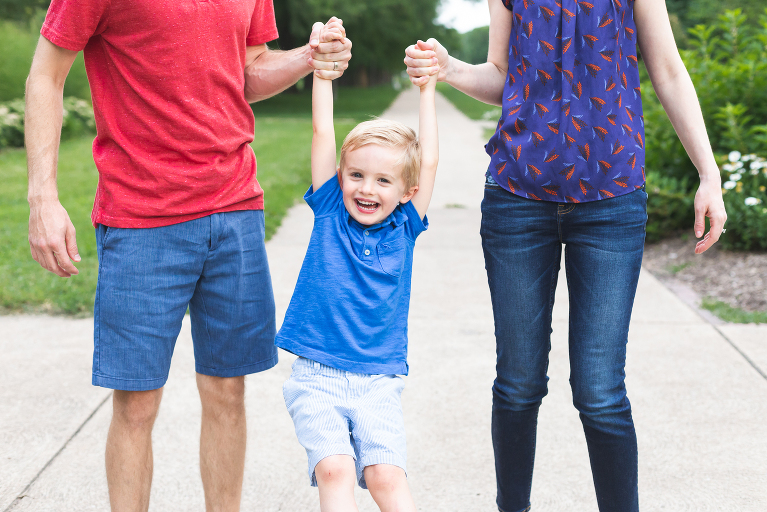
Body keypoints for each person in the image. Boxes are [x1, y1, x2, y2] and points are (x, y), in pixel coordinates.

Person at [24, 0, 351, 509]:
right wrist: (42, 197)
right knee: (136, 404)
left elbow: (248, 72)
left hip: (235, 211)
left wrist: (308, 55)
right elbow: (46, 75)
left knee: (228, 393)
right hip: (140, 219)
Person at [404, 0, 726, 509]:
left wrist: (709, 174)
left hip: (611, 202)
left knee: (600, 393)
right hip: (517, 199)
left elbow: (666, 68)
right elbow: (502, 76)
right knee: (517, 385)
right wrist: (451, 70)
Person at [273, 29, 439, 512]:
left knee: (386, 476)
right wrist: (322, 74)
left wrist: (427, 89)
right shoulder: (330, 213)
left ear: (405, 192)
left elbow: (427, 160)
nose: (367, 189)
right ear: (341, 176)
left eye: (384, 180)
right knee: (335, 468)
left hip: (378, 380)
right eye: (357, 175)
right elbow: (323, 134)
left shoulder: (406, 227)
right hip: (317, 374)